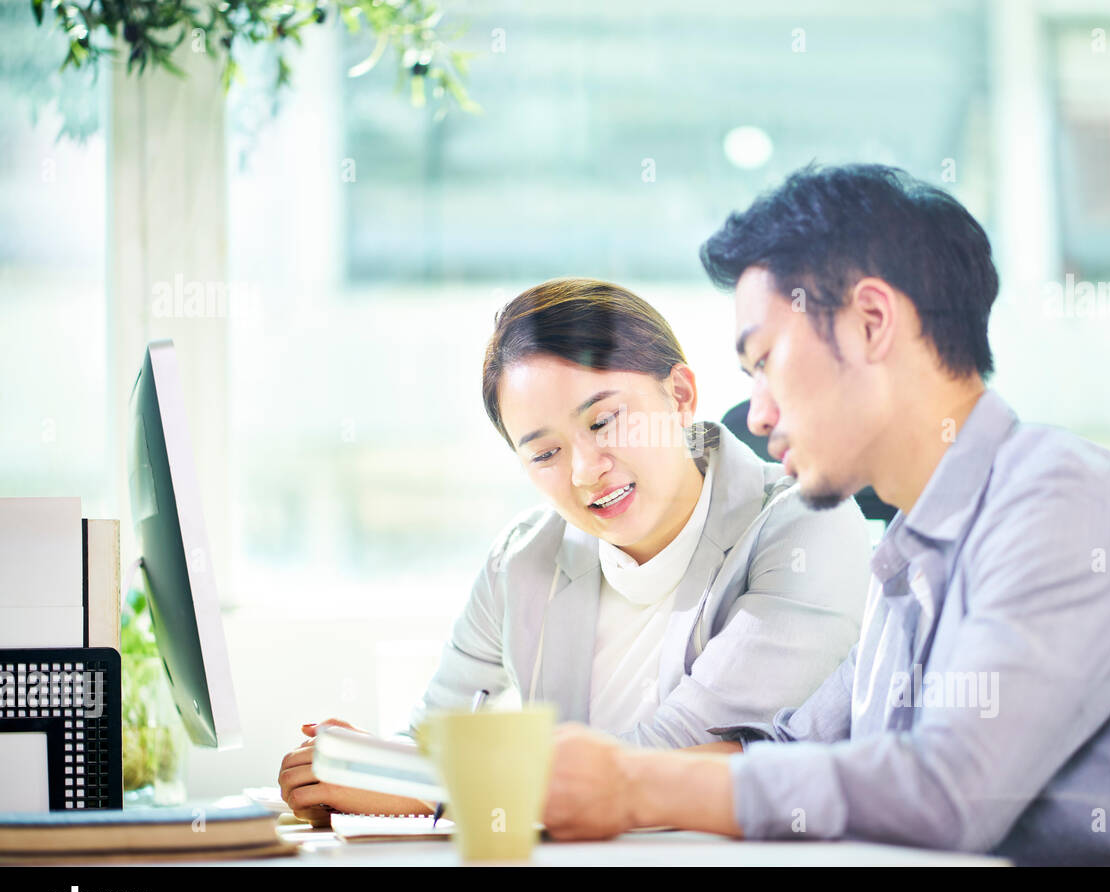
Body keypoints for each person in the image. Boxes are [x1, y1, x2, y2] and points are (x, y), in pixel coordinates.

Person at [540, 165, 1110, 866]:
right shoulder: (916, 548)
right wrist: (575, 781)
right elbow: (790, 753)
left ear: (871, 322)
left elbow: (948, 793)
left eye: (763, 361)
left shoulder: (1063, 500)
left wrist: (636, 788)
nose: (757, 417)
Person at [279, 277, 872, 821]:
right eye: (543, 453)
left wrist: (425, 780)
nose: (586, 471)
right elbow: (433, 741)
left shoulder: (806, 525)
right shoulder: (523, 559)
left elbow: (681, 753)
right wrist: (354, 766)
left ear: (681, 394)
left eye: (604, 420)